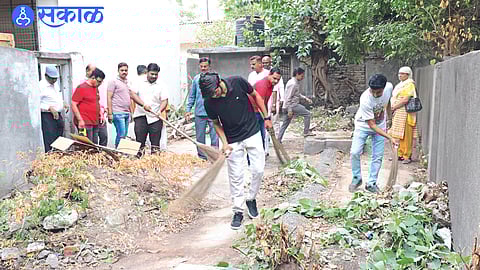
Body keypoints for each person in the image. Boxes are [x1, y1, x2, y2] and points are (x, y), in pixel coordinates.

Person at [199, 72, 272, 230]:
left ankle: (251, 199)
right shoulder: (209, 102)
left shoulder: (237, 81)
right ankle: (238, 210)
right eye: (209, 94)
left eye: (214, 92)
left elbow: (256, 96)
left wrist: (266, 118)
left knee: (258, 170)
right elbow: (216, 124)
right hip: (232, 139)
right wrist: (224, 143)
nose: (213, 96)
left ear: (219, 83)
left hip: (252, 131)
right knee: (236, 176)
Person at [348, 74, 397, 193]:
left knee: (378, 156)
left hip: (380, 124)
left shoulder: (389, 87)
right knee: (355, 152)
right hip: (363, 125)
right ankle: (356, 178)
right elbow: (371, 125)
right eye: (372, 91)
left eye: (378, 92)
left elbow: (388, 101)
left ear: (384, 88)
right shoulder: (365, 99)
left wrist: (390, 118)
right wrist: (390, 137)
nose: (375, 95)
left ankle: (371, 183)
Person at [107, 62, 151, 148]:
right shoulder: (113, 82)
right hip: (117, 112)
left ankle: (121, 150)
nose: (124, 72)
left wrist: (131, 112)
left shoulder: (128, 82)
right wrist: (110, 113)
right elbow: (109, 97)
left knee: (124, 134)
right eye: (122, 70)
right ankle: (118, 152)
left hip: (126, 112)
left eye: (126, 70)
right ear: (118, 71)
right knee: (121, 133)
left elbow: (130, 98)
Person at [185, 57, 219, 160]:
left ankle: (214, 156)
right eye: (201, 66)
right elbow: (192, 96)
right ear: (199, 66)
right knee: (200, 137)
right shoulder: (196, 79)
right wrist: (188, 110)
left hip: (213, 113)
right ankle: (202, 157)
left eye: (205, 66)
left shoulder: (215, 78)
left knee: (215, 137)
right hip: (199, 113)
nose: (203, 68)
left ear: (209, 66)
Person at [132, 63, 168, 155]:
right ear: (147, 72)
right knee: (140, 143)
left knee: (155, 145)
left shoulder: (162, 84)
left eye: (156, 74)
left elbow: (164, 100)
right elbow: (133, 94)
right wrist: (143, 105)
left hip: (155, 117)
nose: (154, 76)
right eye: (152, 74)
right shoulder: (138, 82)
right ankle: (140, 163)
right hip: (141, 116)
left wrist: (160, 111)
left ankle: (154, 164)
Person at [389, 66, 418, 164]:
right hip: (398, 112)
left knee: (406, 134)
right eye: (399, 73)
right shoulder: (401, 85)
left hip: (405, 112)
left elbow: (405, 99)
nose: (400, 75)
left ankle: (407, 155)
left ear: (408, 75)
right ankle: (399, 154)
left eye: (402, 73)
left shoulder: (409, 84)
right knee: (398, 134)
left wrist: (394, 107)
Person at [277, 67, 314, 142]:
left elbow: (296, 94)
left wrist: (305, 98)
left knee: (285, 124)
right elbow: (288, 97)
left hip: (288, 106)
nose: (303, 77)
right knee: (307, 114)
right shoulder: (293, 83)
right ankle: (306, 132)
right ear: (297, 74)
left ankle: (278, 140)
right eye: (302, 76)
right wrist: (290, 109)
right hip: (292, 105)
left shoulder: (294, 82)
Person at [71, 68, 106, 143]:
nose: (100, 84)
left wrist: (101, 114)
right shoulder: (82, 87)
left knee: (94, 144)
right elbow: (74, 104)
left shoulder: (96, 88)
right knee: (87, 145)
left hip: (95, 121)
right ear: (93, 78)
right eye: (99, 81)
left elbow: (97, 102)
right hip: (85, 122)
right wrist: (80, 120)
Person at [39, 66, 68, 152]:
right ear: (46, 76)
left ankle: (58, 156)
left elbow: (56, 97)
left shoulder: (55, 84)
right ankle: (50, 157)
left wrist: (63, 103)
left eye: (55, 79)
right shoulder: (41, 86)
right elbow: (35, 103)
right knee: (49, 138)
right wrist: (49, 108)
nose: (54, 81)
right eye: (52, 79)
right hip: (47, 115)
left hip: (58, 114)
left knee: (59, 136)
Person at [246, 55, 270, 155]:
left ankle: (264, 151)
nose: (252, 66)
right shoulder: (251, 75)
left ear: (260, 64)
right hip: (253, 108)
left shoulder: (267, 74)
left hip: (264, 107)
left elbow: (272, 91)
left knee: (264, 131)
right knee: (255, 131)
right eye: (251, 64)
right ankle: (255, 152)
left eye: (254, 64)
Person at [262, 55, 285, 132]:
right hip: (264, 100)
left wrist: (282, 99)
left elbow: (280, 87)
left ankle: (277, 139)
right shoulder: (261, 73)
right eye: (263, 63)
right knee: (265, 120)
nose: (265, 65)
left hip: (274, 99)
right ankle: (267, 140)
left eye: (267, 63)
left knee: (275, 120)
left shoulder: (275, 72)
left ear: (270, 62)